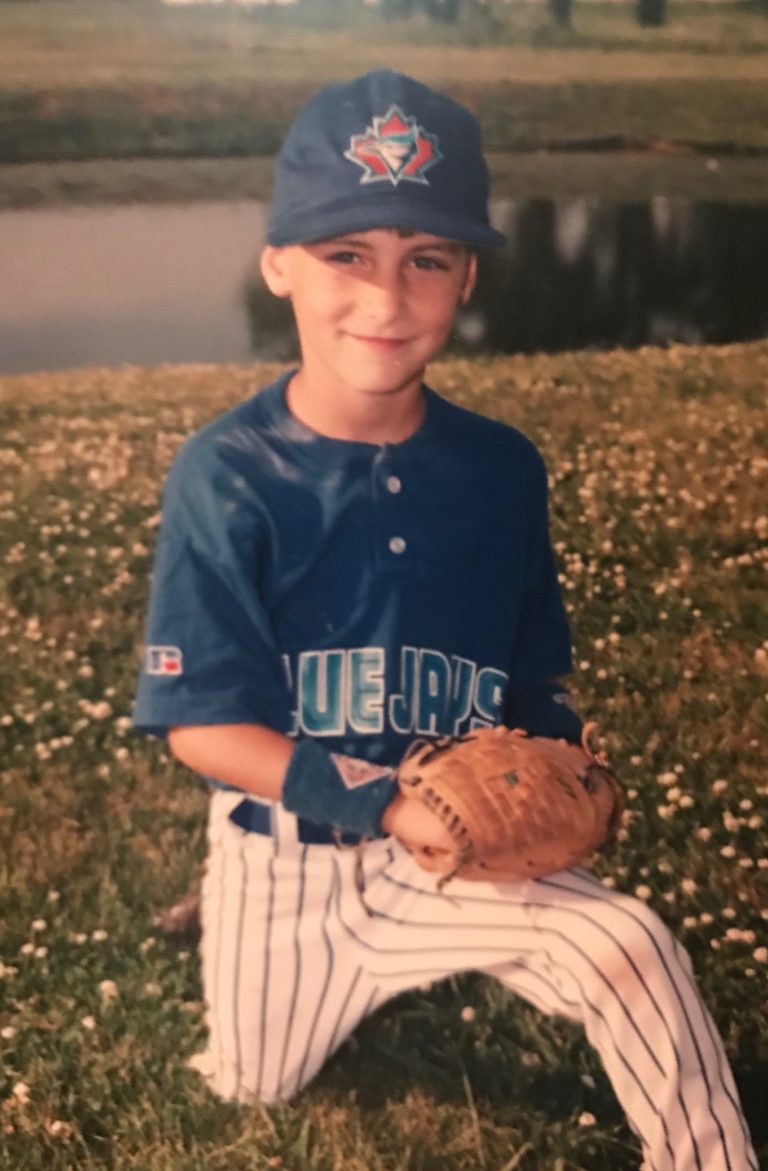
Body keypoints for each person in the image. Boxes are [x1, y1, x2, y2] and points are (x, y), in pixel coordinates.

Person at [133, 69, 756, 1171]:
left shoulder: (501, 469)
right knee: (254, 1083)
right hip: (291, 866)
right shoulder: (225, 475)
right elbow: (202, 726)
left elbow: (534, 667)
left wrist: (558, 753)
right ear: (277, 261)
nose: (386, 300)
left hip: (459, 851)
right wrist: (374, 807)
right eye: (345, 255)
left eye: (425, 259)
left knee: (629, 942)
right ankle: (217, 895)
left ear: (466, 275)